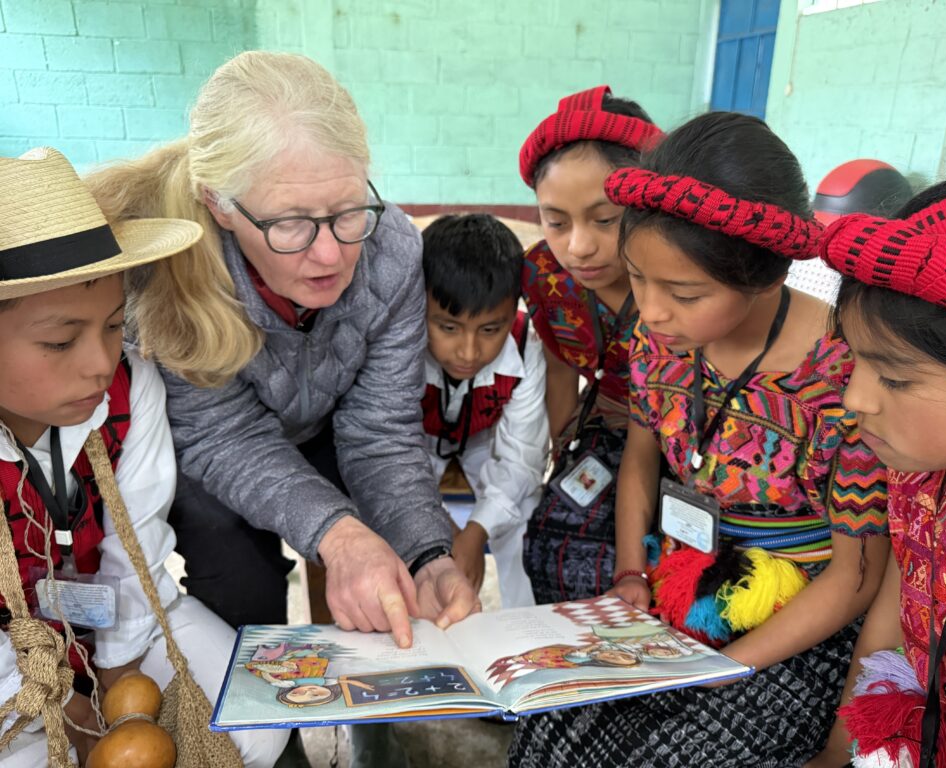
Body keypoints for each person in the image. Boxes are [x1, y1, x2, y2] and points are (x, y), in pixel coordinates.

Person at [509, 113, 891, 767]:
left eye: (684, 293)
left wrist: (728, 665)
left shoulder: (844, 374)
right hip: (680, 585)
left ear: (766, 274)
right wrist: (631, 575)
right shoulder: (661, 342)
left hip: (799, 623)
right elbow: (639, 459)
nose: (652, 312)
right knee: (551, 728)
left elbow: (858, 576)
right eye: (639, 280)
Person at [84, 51, 477, 647]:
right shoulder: (172, 274)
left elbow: (381, 433)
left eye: (348, 211)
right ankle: (267, 733)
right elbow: (222, 438)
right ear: (220, 204)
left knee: (385, 549)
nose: (330, 254)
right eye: (289, 224)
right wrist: (337, 535)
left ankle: (367, 709)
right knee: (241, 578)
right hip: (211, 449)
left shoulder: (390, 251)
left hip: (325, 426)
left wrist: (429, 555)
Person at [0, 148, 286, 766]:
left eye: (110, 325)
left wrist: (117, 673)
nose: (100, 362)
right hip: (5, 654)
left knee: (258, 724)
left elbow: (134, 555)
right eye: (59, 340)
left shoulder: (132, 385)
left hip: (121, 620)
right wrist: (55, 702)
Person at [806, 173, 946, 768]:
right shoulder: (919, 475)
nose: (855, 399)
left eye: (896, 379)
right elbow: (897, 608)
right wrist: (838, 753)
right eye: (855, 362)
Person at [518, 85, 664, 603]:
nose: (578, 246)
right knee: (553, 541)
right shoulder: (543, 274)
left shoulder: (683, 278)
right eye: (556, 221)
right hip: (605, 432)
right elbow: (562, 368)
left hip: (692, 441)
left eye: (605, 220)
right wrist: (565, 452)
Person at [419, 214, 548, 608]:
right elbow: (390, 461)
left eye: (490, 330)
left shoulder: (527, 345)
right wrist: (438, 537)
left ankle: (525, 634)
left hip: (484, 437)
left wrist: (475, 533)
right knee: (397, 524)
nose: (469, 352)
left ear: (513, 314)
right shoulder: (397, 341)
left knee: (525, 515)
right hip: (413, 445)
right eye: (449, 328)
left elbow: (522, 461)